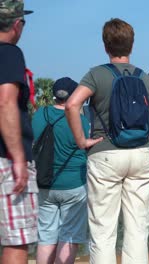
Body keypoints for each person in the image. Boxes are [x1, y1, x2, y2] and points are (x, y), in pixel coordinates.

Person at [65, 18, 149, 264]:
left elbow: (72, 104)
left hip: (105, 153)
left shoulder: (97, 75)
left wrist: (82, 141)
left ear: (105, 45)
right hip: (142, 155)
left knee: (103, 230)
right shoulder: (145, 78)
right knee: (138, 230)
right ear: (132, 45)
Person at [32, 77, 90, 264]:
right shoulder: (81, 120)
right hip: (74, 184)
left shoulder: (41, 114)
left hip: (44, 183)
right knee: (69, 236)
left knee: (46, 235)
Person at [0, 1, 37, 264]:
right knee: (17, 241)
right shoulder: (9, 53)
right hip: (6, 159)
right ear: (16, 24)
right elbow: (5, 101)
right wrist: (18, 158)